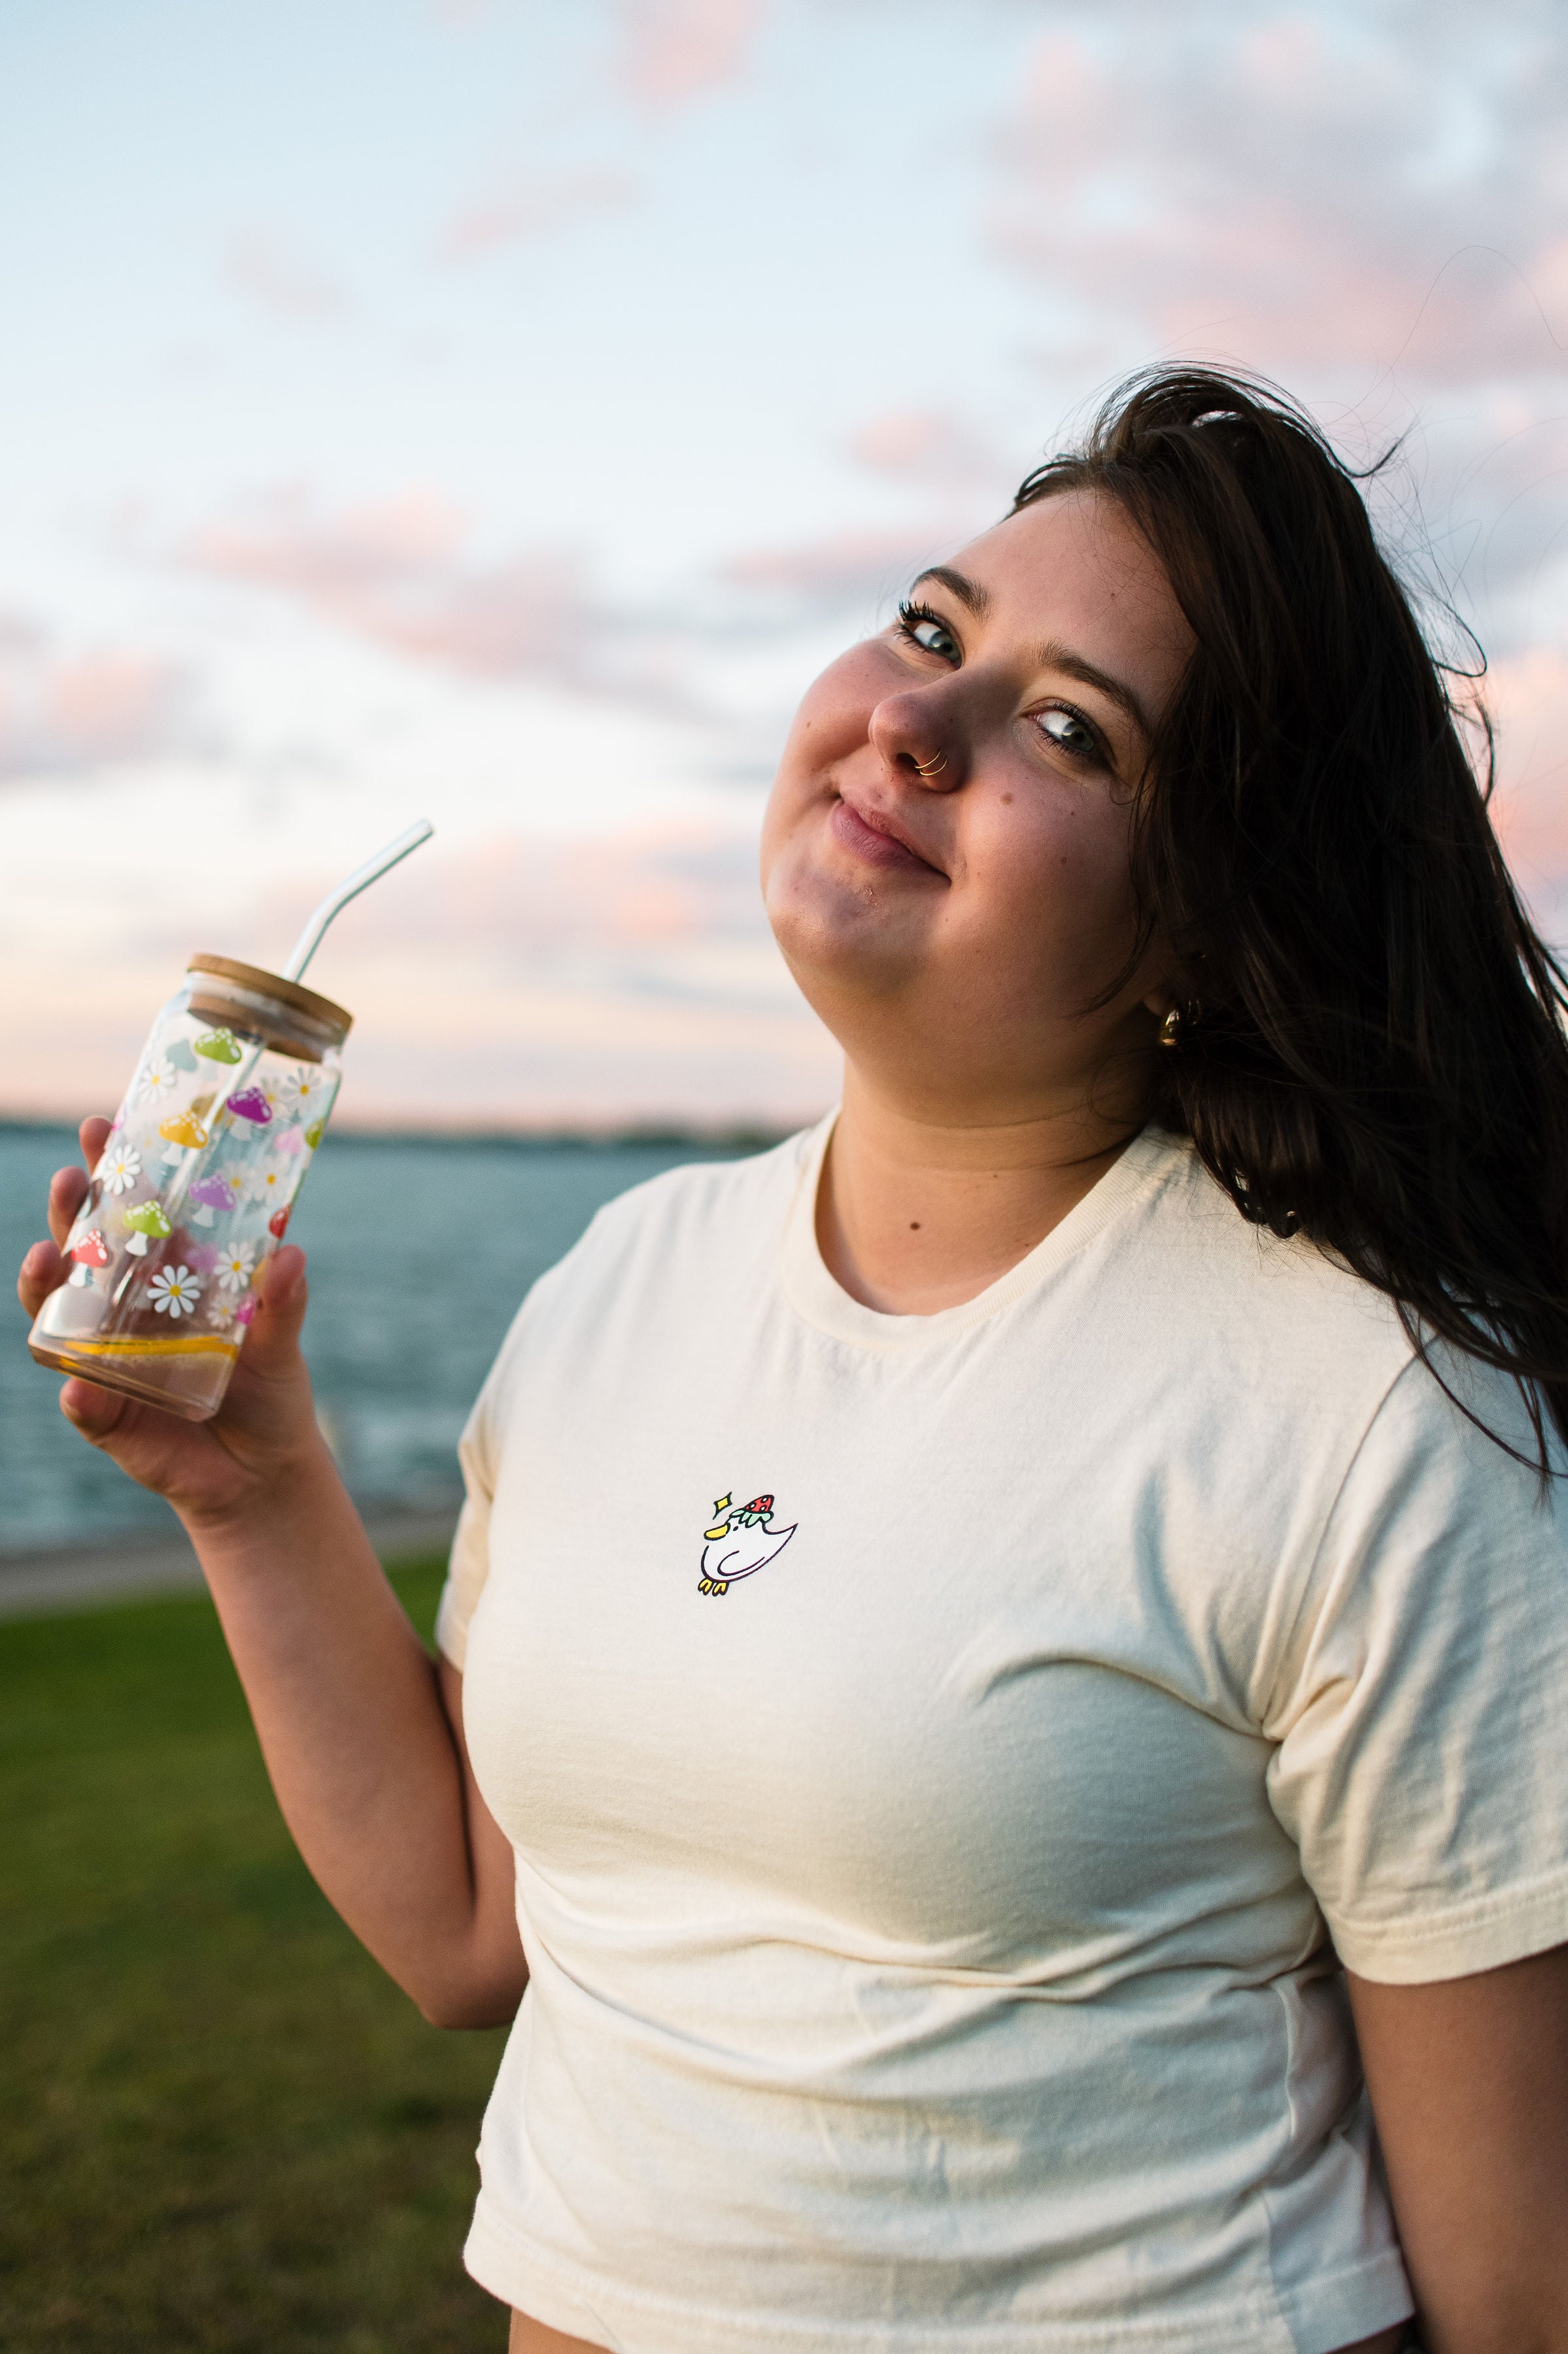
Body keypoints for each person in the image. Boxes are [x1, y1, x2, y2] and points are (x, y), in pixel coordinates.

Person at [20, 367, 1568, 2354]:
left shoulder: (1370, 1411)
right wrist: (252, 1489)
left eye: (1070, 729)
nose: (916, 720)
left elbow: (1517, 2293)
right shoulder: (621, 1278)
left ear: (1204, 924)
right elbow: (470, 1931)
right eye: (933, 629)